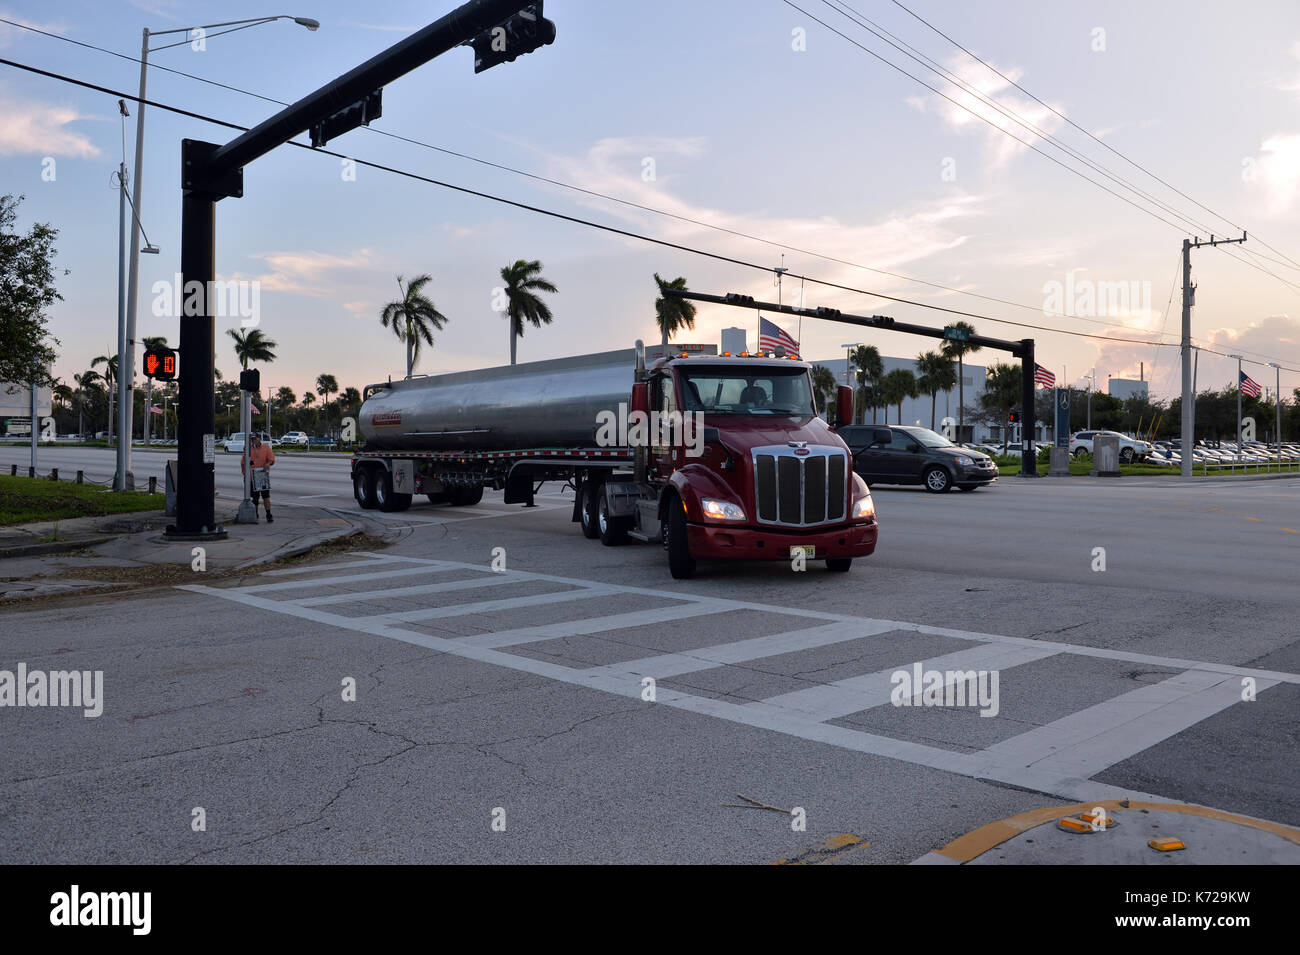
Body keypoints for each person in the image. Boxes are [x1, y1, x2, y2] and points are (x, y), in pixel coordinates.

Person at [241, 433, 277, 522]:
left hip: (262, 475)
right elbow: (243, 462)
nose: (254, 440)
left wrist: (268, 463)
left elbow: (271, 459)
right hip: (252, 476)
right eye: (252, 439)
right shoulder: (248, 449)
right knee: (255, 498)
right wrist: (244, 473)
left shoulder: (266, 447)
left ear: (259, 439)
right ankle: (255, 515)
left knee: (266, 496)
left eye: (255, 439)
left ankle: (268, 514)